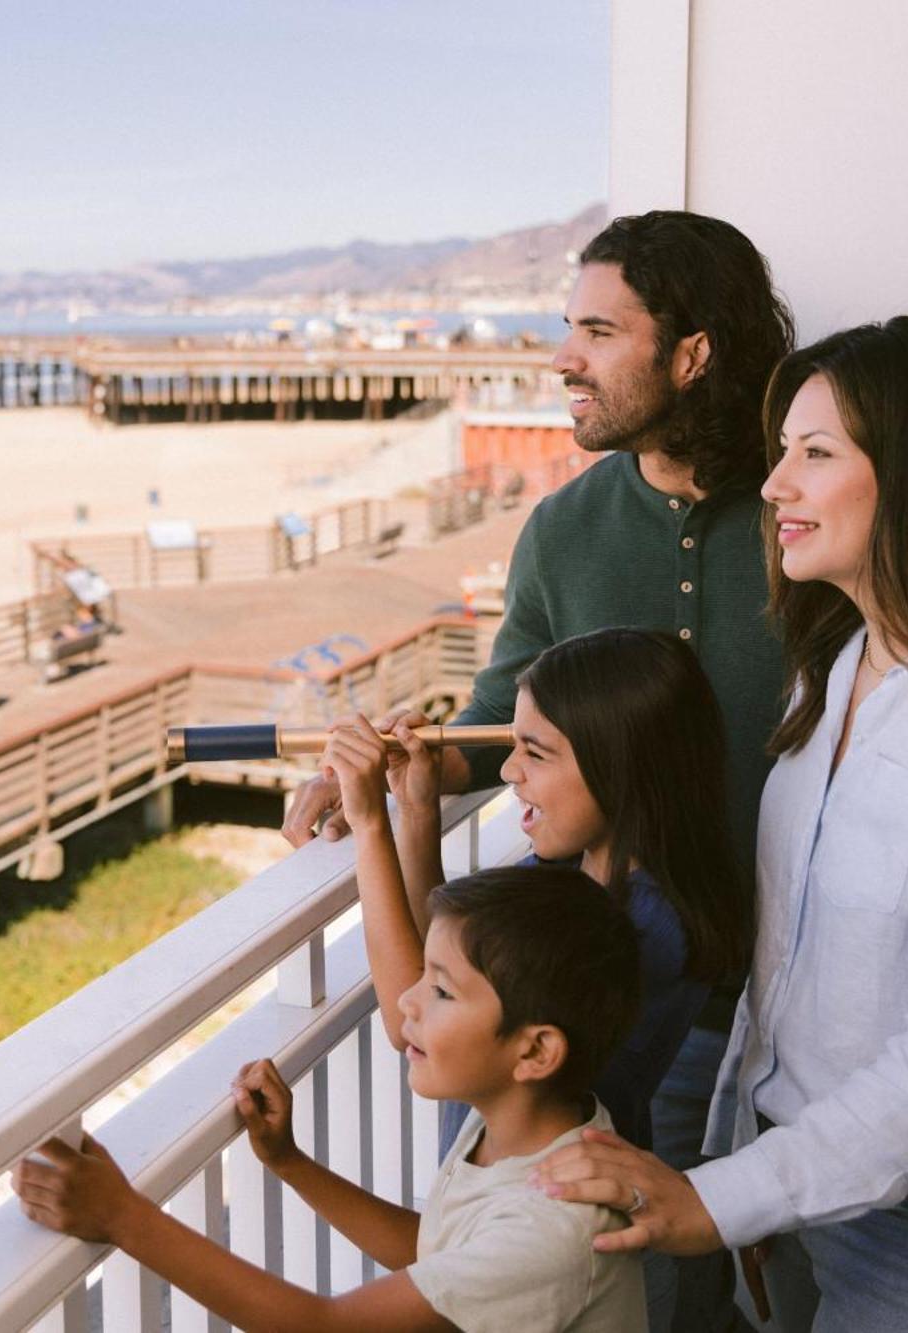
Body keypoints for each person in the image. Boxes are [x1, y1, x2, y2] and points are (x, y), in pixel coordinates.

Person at [531, 317, 908, 1333]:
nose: (774, 485)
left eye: (813, 455)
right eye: (781, 452)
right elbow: (789, 979)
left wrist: (720, 1196)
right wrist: (765, 1173)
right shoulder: (834, 671)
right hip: (819, 1210)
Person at [285, 209, 793, 1332]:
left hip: (796, 989)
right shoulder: (563, 528)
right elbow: (488, 717)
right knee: (630, 1278)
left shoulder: (803, 508)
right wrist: (377, 780)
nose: (561, 358)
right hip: (622, 991)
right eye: (567, 327)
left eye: (597, 331)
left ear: (691, 352)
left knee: (768, 1281)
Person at [13, 867, 648, 1332]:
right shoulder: (527, 1131)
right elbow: (442, 1252)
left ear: (535, 1052)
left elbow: (324, 1327)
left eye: (444, 992)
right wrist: (291, 1163)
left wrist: (123, 1216)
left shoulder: (552, 1222)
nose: (407, 1001)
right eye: (422, 976)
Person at [318, 628, 749, 1155]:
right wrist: (414, 810)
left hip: (541, 1201)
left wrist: (369, 824)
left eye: (536, 753)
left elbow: (410, 1020)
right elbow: (452, 956)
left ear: (620, 766)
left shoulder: (640, 925)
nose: (507, 770)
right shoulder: (576, 869)